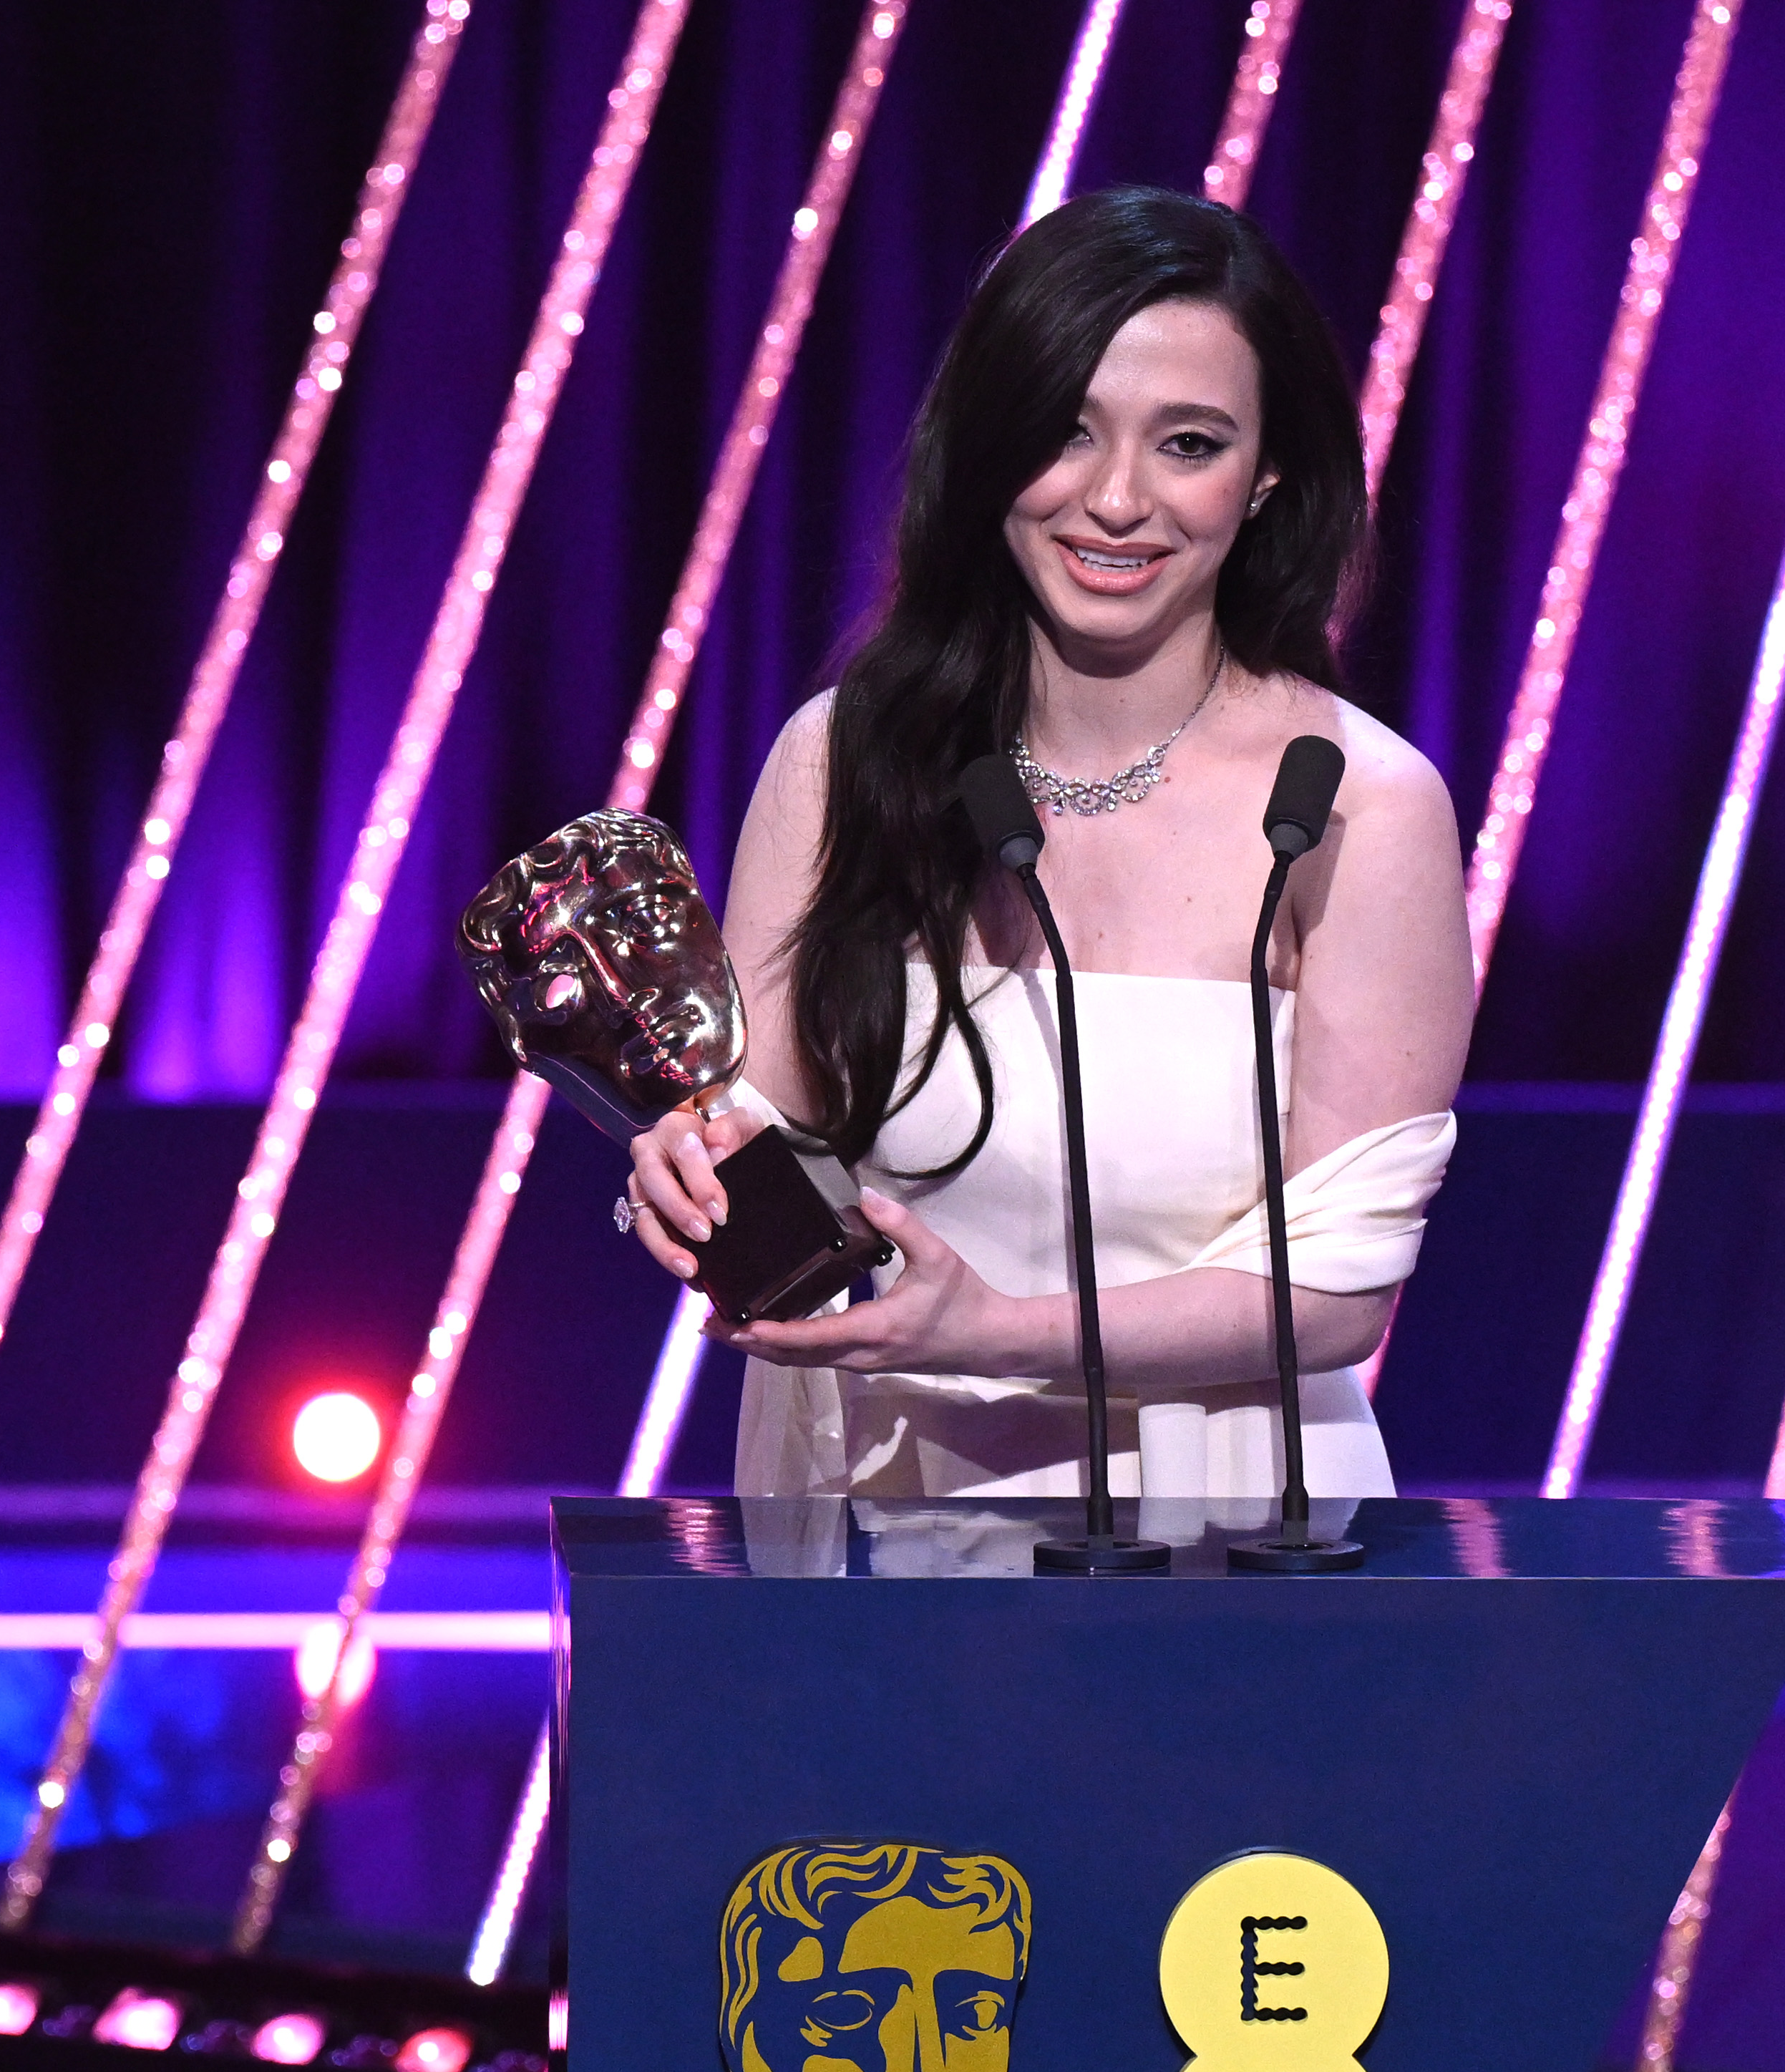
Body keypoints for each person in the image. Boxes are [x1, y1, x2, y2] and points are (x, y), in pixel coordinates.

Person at [621, 185, 1472, 1502]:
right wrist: (683, 1178)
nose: (1118, 500)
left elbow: (1341, 1288)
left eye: (1187, 444)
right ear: (987, 449)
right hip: (864, 1542)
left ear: (1266, 485)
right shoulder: (843, 761)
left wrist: (992, 1336)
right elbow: (757, 1139)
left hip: (1222, 1555)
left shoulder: (1360, 801)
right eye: (1066, 435)